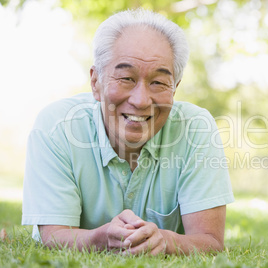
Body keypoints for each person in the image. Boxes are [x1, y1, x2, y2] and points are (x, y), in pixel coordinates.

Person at [22, 8, 234, 255]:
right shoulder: (56, 127)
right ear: (95, 82)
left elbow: (210, 241)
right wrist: (100, 238)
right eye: (126, 78)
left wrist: (164, 240)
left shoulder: (196, 128)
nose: (142, 100)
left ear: (175, 88)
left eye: (158, 82)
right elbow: (54, 236)